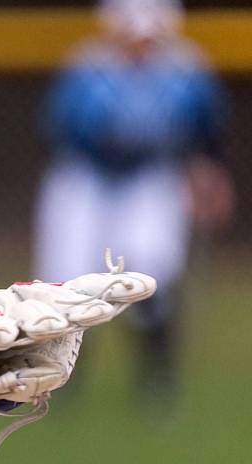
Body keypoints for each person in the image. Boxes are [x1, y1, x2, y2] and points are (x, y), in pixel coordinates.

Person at [34, 0, 233, 401]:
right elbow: (57, 132)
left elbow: (208, 135)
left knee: (150, 269)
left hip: (151, 176)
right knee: (70, 277)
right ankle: (64, 380)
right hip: (86, 176)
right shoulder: (87, 67)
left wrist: (208, 177)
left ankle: (157, 378)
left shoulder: (187, 69)